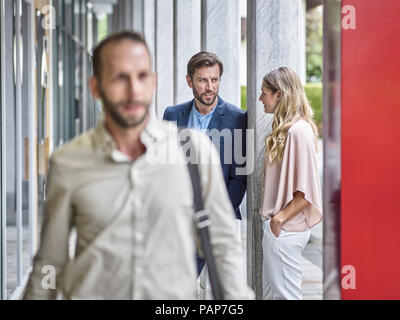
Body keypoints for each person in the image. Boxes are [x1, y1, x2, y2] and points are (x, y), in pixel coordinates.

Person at [23, 31, 254, 300]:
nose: (134, 90)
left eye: (142, 76)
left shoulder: (196, 152)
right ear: (96, 87)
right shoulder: (68, 163)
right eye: (120, 77)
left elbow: (223, 248)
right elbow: (50, 263)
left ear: (153, 82)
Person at [163, 52, 247, 275]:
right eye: (203, 80)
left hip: (220, 221)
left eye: (214, 79)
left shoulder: (237, 118)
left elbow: (240, 176)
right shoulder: (172, 115)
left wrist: (219, 216)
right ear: (189, 81)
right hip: (181, 219)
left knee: (218, 288)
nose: (210, 87)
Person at [259, 67, 322, 300]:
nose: (260, 98)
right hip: (280, 229)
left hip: (285, 230)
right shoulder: (288, 130)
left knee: (286, 297)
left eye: (264, 93)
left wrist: (279, 220)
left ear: (279, 95)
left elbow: (307, 193)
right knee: (272, 296)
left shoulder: (298, 132)